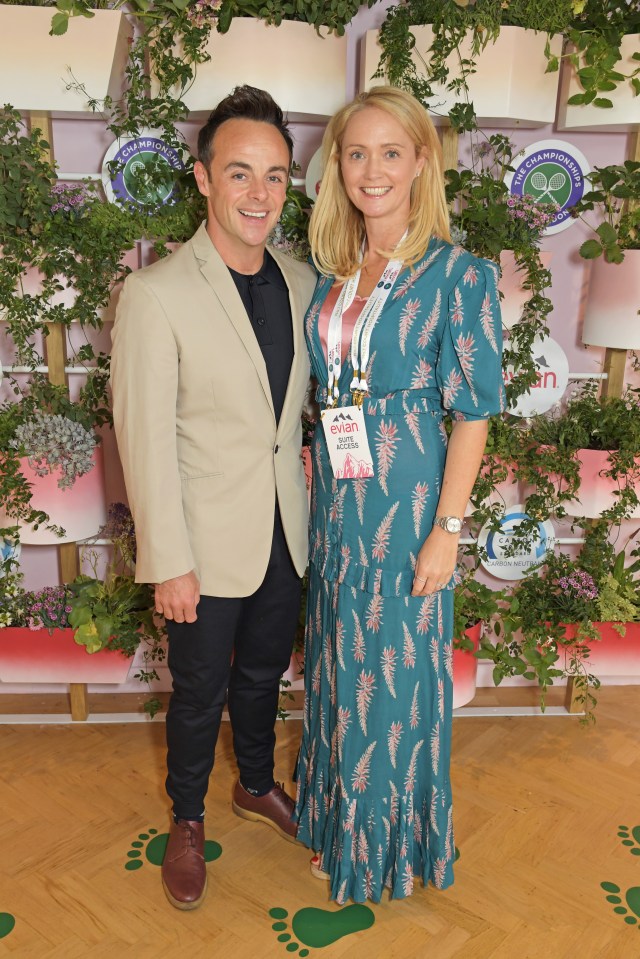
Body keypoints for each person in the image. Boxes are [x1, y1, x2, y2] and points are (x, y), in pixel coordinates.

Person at [294, 86, 506, 905]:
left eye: (391, 152)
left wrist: (448, 527)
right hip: (339, 499)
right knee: (340, 668)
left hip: (411, 497)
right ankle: (335, 817)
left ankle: (383, 844)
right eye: (356, 153)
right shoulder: (334, 271)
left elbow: (476, 411)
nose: (372, 169)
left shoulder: (460, 275)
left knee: (394, 671)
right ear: (337, 166)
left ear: (423, 161)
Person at [110, 85, 315, 911]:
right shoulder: (156, 293)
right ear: (203, 180)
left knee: (265, 671)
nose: (259, 193)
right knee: (200, 692)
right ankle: (188, 818)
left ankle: (256, 782)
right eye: (240, 173)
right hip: (200, 543)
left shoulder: (302, 284)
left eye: (274, 175)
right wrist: (170, 562)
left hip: (284, 531)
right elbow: (143, 437)